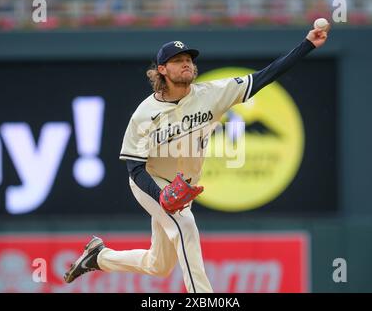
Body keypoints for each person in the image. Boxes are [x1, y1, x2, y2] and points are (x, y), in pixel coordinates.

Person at [63, 26, 329, 293]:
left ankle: (99, 257)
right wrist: (161, 195)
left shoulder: (211, 94)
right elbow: (135, 168)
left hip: (182, 187)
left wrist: (307, 44)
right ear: (162, 70)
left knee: (159, 265)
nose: (187, 64)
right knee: (185, 226)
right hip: (151, 183)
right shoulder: (144, 114)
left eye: (189, 60)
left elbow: (264, 77)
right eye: (178, 61)